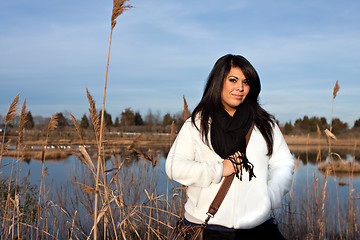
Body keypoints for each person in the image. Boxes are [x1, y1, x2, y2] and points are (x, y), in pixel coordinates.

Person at [165, 54, 295, 239]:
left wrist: (270, 197)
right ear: (219, 82)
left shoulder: (265, 124)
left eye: (245, 82)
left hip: (257, 229)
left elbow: (284, 163)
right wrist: (218, 169)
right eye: (233, 80)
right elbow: (173, 167)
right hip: (207, 229)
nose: (240, 88)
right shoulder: (198, 124)